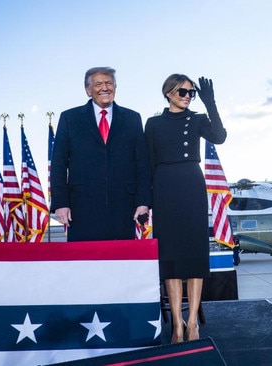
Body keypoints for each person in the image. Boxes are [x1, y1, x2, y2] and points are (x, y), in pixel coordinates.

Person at [145, 74, 227, 343]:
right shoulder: (154, 123)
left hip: (191, 184)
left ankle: (192, 323)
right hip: (165, 187)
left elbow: (220, 136)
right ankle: (177, 326)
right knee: (171, 259)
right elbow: (148, 163)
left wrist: (210, 103)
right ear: (168, 92)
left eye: (191, 92)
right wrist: (147, 199)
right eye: (182, 91)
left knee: (193, 255)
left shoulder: (198, 119)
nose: (187, 96)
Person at [50, 67, 150, 241]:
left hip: (123, 207)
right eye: (98, 84)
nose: (105, 88)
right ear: (88, 90)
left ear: (115, 87)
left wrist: (143, 201)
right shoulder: (69, 118)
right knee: (85, 263)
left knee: (121, 262)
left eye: (109, 83)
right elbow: (58, 164)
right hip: (81, 208)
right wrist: (60, 203)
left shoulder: (132, 118)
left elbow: (141, 163)